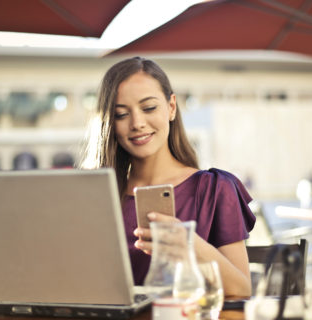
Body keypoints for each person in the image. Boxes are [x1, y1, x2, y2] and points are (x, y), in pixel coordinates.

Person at [81, 57, 255, 297]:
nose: (137, 123)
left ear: (171, 107)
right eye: (121, 114)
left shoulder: (214, 188)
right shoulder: (96, 196)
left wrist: (189, 246)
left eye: (149, 108)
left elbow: (242, 289)